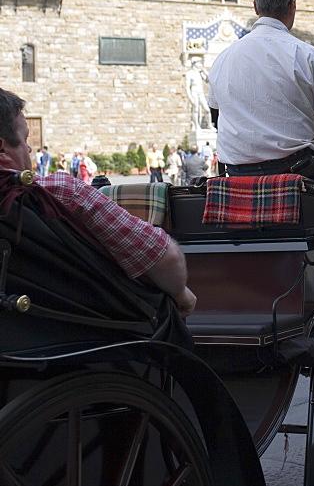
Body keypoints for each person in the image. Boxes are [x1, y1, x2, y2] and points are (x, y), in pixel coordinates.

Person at [0, 89, 196, 316]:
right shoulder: (58, 192)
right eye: (24, 139)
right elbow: (165, 257)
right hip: (88, 331)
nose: (29, 148)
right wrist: (182, 294)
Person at [207, 0, 314, 188]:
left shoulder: (223, 59)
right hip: (299, 167)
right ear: (293, 5)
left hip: (237, 173)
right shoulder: (308, 55)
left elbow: (217, 118)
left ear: (256, 7)